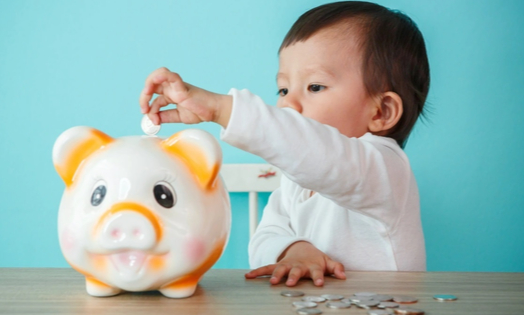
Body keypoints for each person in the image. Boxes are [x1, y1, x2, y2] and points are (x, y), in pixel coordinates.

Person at [139, 1, 430, 287]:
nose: (287, 104)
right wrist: (294, 249)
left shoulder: (386, 171)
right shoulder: (297, 181)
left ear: (381, 112)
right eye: (283, 89)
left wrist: (221, 109)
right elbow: (264, 238)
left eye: (315, 87)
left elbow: (316, 154)